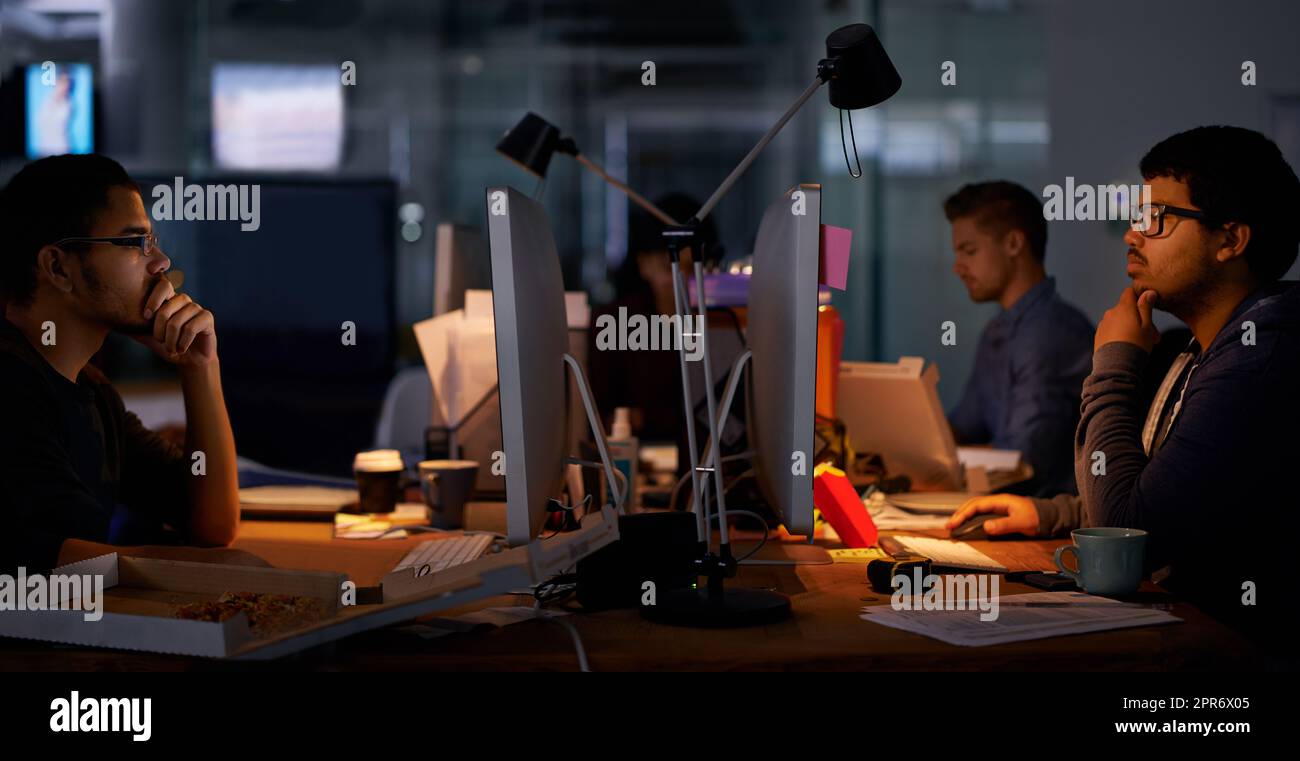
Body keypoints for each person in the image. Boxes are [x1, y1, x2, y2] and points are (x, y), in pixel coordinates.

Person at [946, 126, 1300, 639]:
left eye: (1158, 219)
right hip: (1188, 631)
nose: (1133, 234)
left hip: (1236, 655)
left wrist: (1112, 361)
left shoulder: (1259, 356)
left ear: (1230, 239)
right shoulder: (1196, 348)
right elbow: (1165, 496)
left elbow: (1129, 534)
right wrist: (1050, 513)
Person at [0, 154, 243, 574]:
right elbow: (61, 564)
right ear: (58, 267)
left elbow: (213, 525)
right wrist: (232, 574)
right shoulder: (9, 386)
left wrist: (200, 366)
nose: (161, 262)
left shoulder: (92, 394)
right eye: (136, 243)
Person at [944, 181, 1094, 496]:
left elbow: (1022, 461)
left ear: (1013, 244)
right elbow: (965, 425)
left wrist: (946, 458)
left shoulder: (1052, 331)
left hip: (1048, 523)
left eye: (969, 251)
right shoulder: (996, 332)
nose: (958, 267)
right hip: (1004, 507)